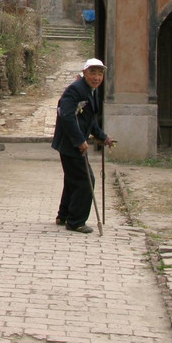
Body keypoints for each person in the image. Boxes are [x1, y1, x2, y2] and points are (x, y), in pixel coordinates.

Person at [51, 58, 117, 233]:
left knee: (73, 179)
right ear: (84, 73)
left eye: (100, 73)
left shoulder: (91, 91)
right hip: (70, 143)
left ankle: (64, 215)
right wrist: (80, 140)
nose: (97, 77)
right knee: (85, 181)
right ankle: (76, 221)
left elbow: (90, 120)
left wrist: (103, 137)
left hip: (74, 142)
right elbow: (66, 116)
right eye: (93, 72)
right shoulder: (75, 90)